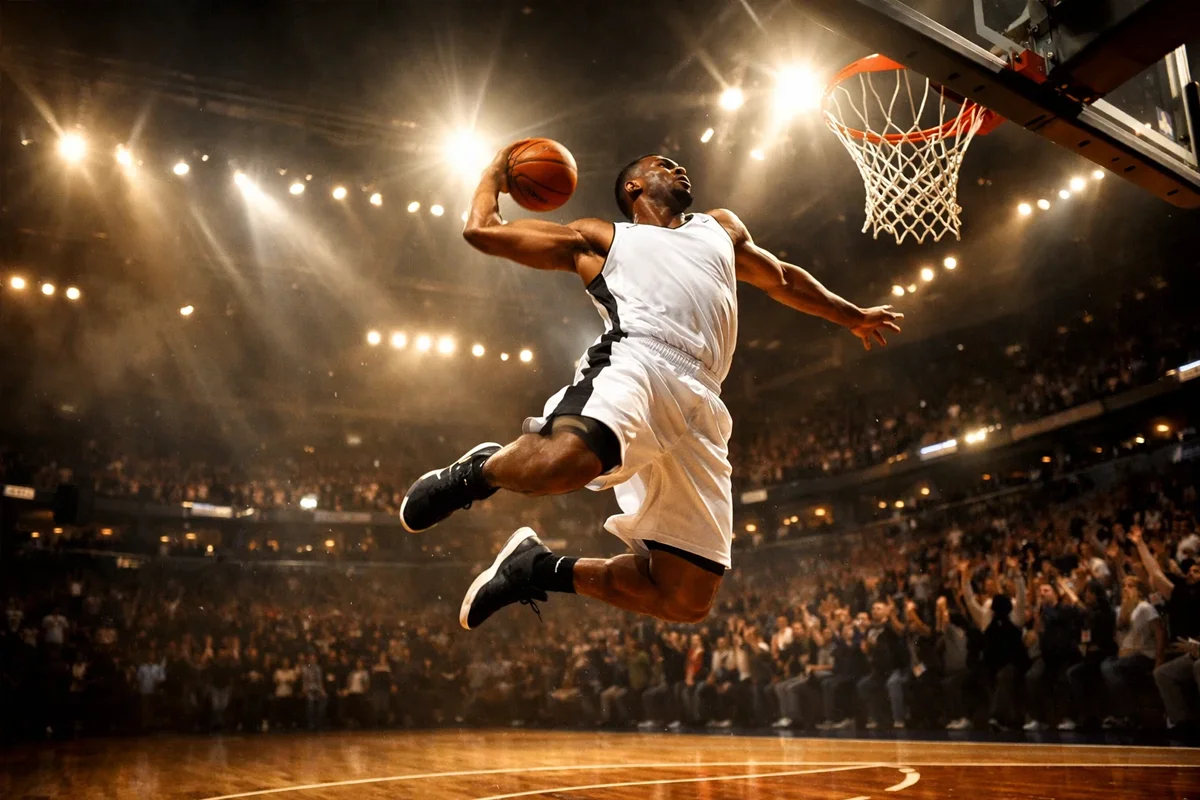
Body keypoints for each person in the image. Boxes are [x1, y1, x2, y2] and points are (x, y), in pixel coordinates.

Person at [400, 145, 902, 630]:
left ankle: (533, 569)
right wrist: (492, 173)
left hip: (704, 397)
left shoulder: (720, 228)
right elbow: (482, 230)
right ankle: (474, 474)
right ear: (634, 185)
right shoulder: (599, 237)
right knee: (561, 464)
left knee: (683, 598)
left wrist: (851, 315)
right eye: (664, 164)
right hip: (639, 358)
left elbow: (782, 279)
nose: (679, 166)